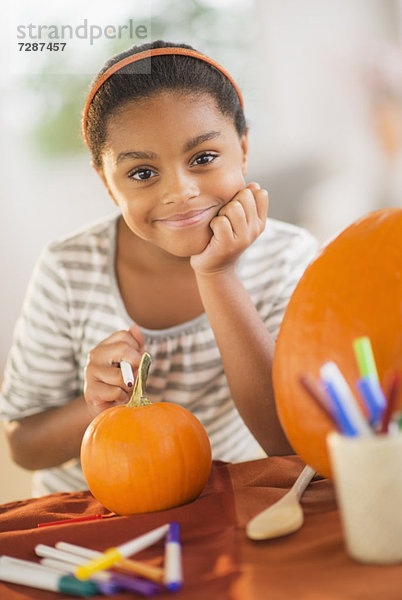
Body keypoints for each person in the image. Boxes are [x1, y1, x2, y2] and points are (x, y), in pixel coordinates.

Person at [0, 41, 318, 496]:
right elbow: (22, 446)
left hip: (229, 497)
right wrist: (98, 405)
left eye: (203, 158)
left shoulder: (289, 256)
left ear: (243, 147)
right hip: (96, 509)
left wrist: (217, 274)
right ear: (107, 184)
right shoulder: (67, 269)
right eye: (143, 173)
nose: (181, 191)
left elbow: (288, 442)